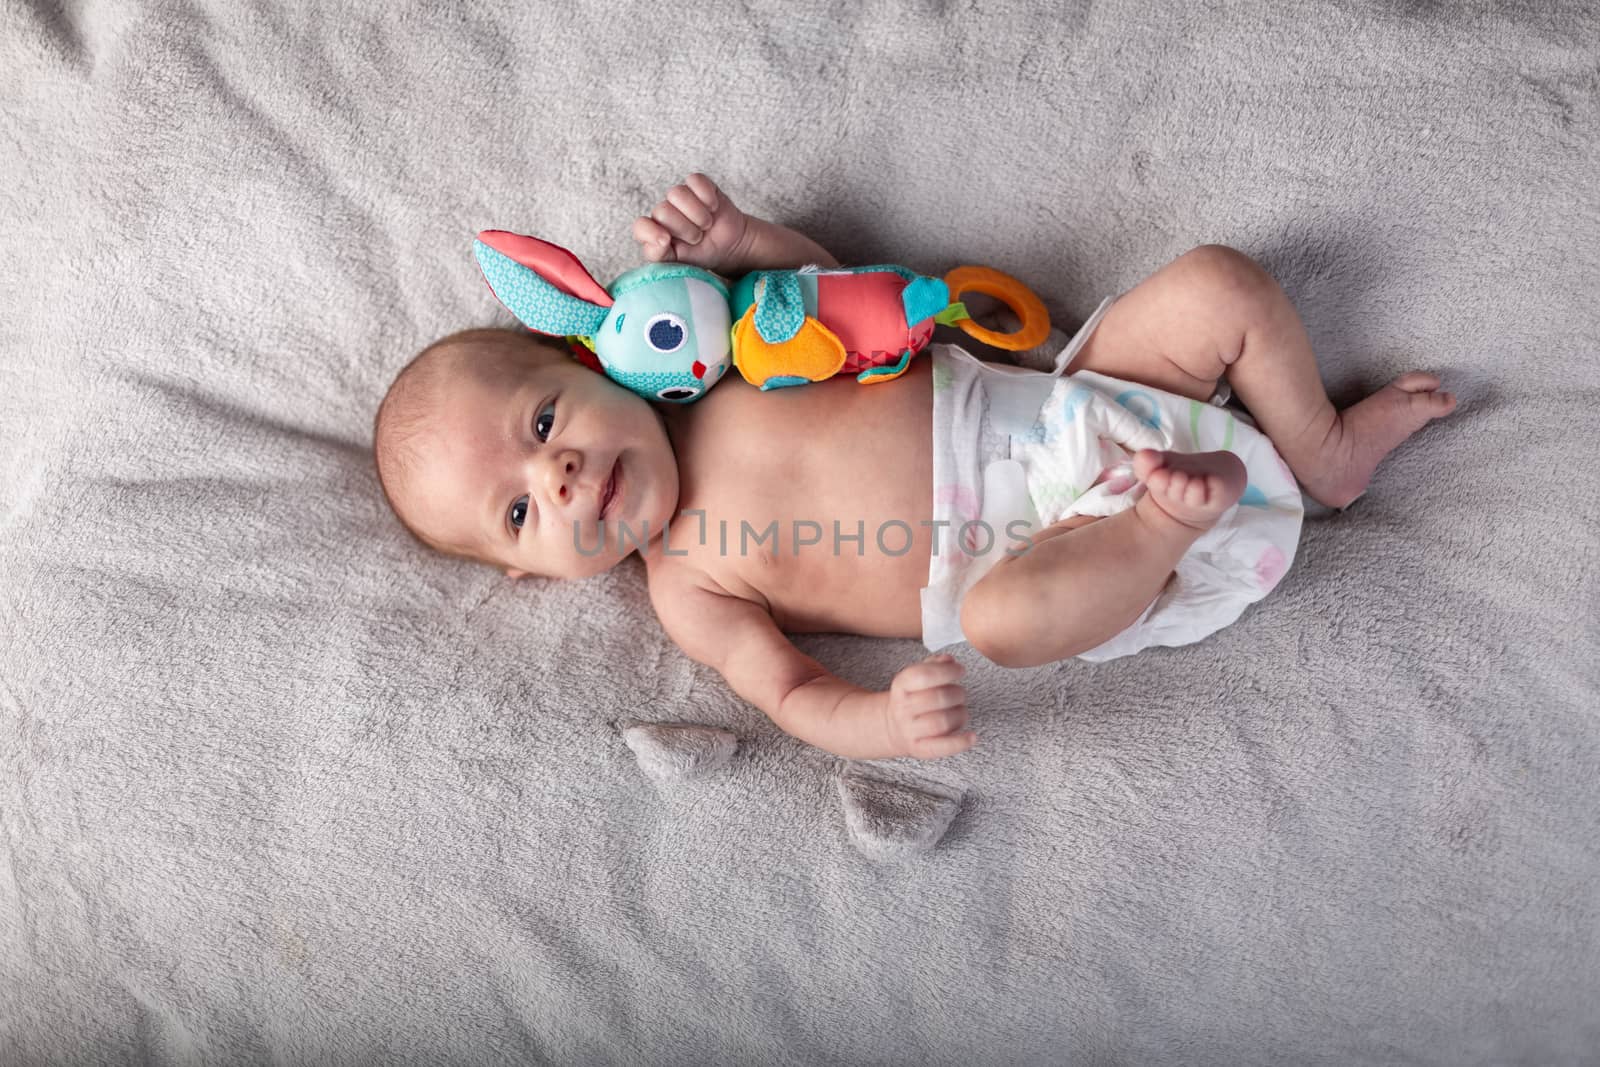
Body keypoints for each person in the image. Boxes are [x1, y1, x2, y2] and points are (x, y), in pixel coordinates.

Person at [373, 174, 1457, 761]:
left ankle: (1324, 450)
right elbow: (790, 691)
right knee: (1000, 625)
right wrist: (878, 723)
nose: (557, 474)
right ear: (529, 570)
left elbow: (832, 293)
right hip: (1071, 550)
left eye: (544, 417)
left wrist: (744, 239)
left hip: (1093, 400)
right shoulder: (686, 585)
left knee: (1217, 283)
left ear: (592, 358)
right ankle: (1163, 525)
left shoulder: (718, 364)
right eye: (517, 510)